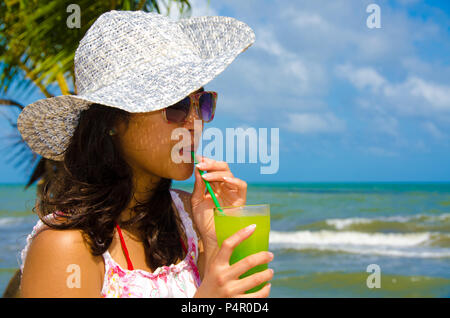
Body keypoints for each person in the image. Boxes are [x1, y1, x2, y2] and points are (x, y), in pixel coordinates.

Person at [16, 10, 274, 297]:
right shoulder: (65, 248)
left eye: (201, 103)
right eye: (176, 105)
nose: (194, 122)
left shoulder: (191, 220)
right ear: (112, 122)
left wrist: (215, 244)